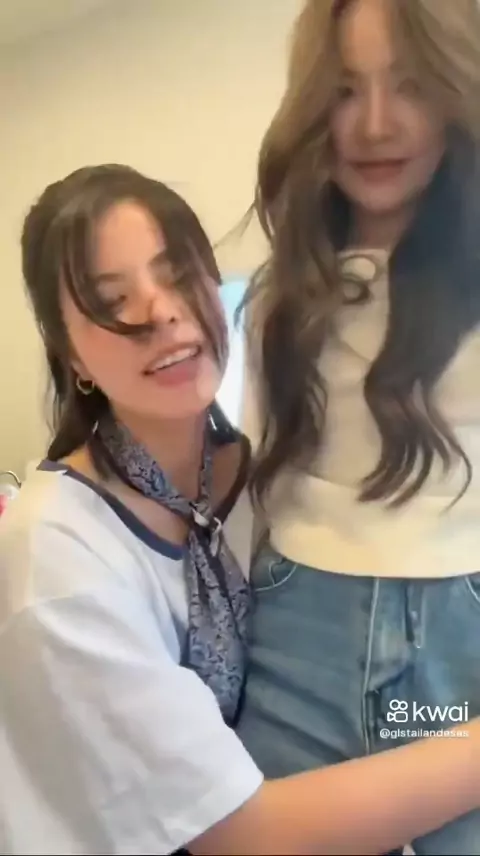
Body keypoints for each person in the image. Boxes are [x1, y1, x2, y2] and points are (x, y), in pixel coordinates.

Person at [2, 166, 480, 856]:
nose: (161, 312)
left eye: (178, 275)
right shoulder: (56, 555)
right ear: (70, 354)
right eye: (112, 300)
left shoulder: (273, 486)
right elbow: (242, 835)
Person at [237, 0, 480, 853]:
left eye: (409, 85)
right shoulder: (280, 300)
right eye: (345, 90)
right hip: (297, 624)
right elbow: (255, 479)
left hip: (462, 644)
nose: (376, 125)